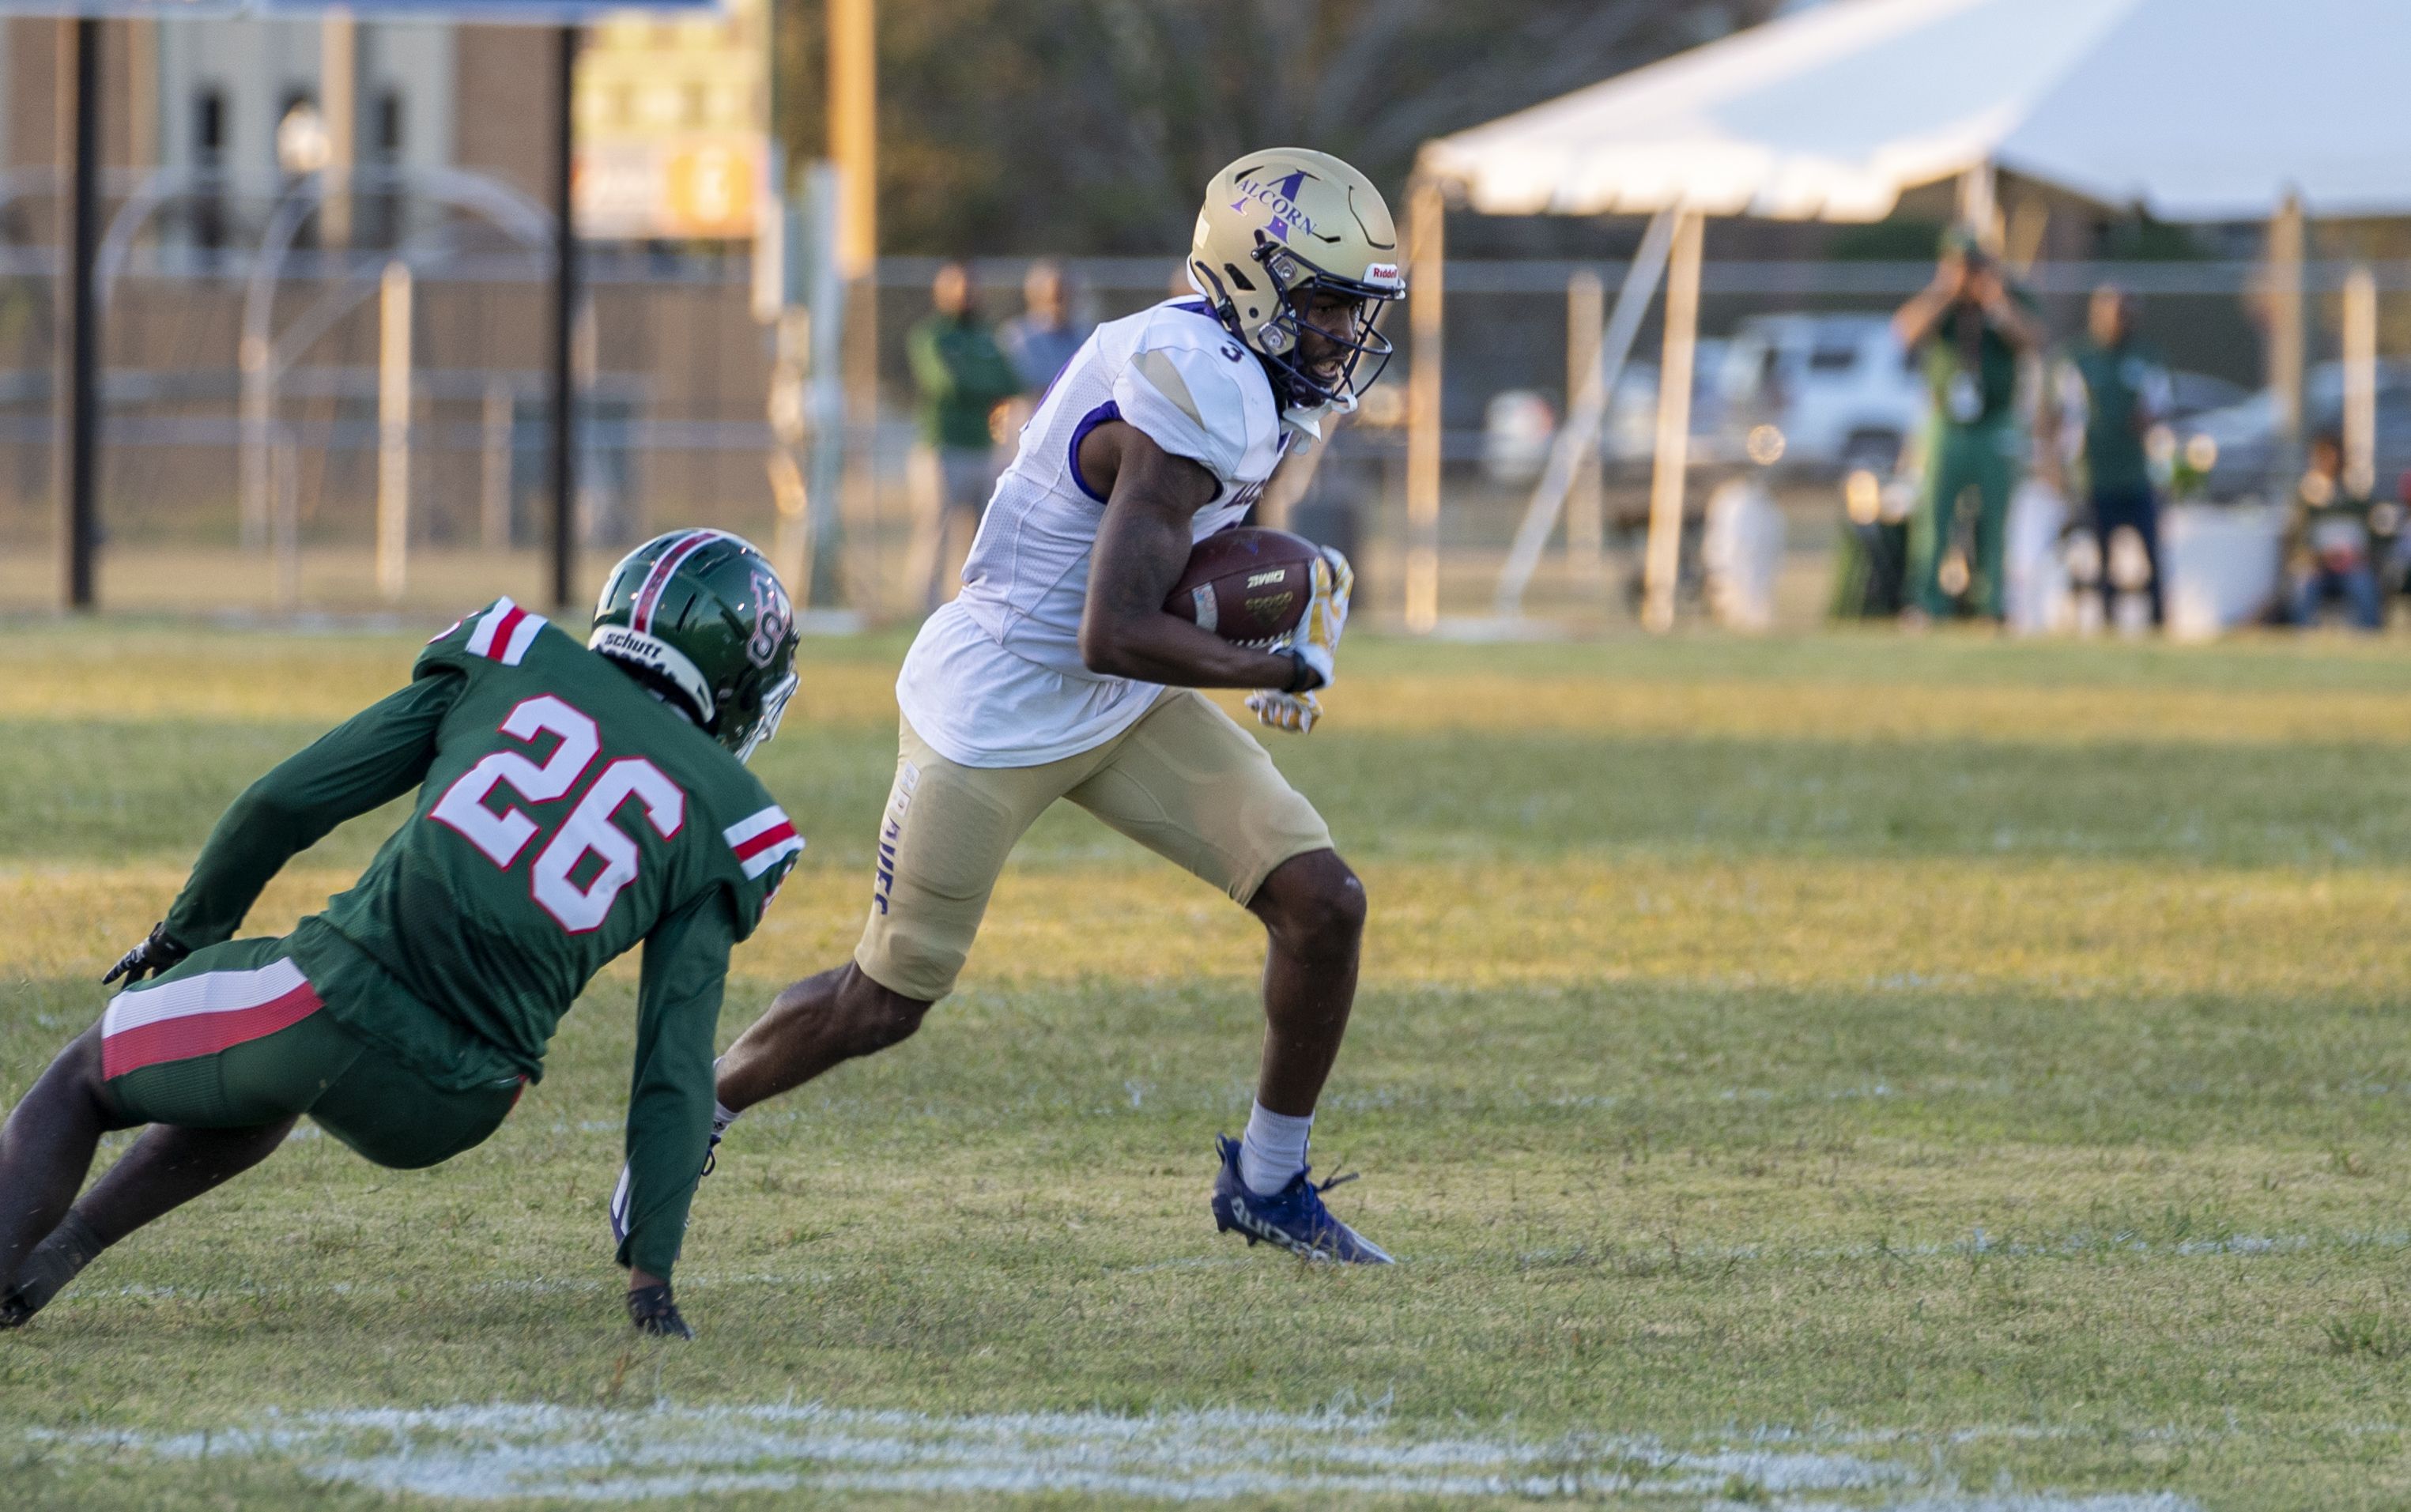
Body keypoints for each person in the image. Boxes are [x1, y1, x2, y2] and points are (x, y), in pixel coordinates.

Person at [617, 148, 1407, 1265]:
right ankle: (689, 1113)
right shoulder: (1195, 381)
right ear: (1253, 281)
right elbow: (1115, 625)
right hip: (999, 703)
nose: (1341, 331)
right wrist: (1275, 669)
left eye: (1352, 307)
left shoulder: (1252, 374)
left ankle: (1269, 1183)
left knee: (1323, 902)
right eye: (1324, 302)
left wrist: (1294, 581)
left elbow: (1198, 563)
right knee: (882, 999)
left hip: (1117, 701)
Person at [0, 533, 805, 1339]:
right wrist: (650, 1276)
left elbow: (280, 804)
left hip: (332, 1003)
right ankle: (56, 1255)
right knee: (270, 1079)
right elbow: (673, 1057)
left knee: (83, 1076)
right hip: (463, 1099)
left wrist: (183, 934)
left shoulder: (514, 659)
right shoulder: (724, 815)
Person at [1891, 226, 2046, 622]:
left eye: (1975, 265)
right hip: (1946, 423)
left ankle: (1993, 603)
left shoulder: (2007, 298)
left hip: (1996, 422)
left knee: (1997, 517)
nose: (1969, 274)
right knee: (1934, 515)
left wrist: (1996, 302)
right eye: (1961, 265)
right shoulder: (1941, 303)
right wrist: (1945, 292)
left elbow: (2034, 340)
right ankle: (1927, 601)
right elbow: (1905, 331)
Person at [905, 262, 1024, 610]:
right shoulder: (932, 335)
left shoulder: (987, 336)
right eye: (957, 286)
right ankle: (923, 609)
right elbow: (945, 383)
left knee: (978, 537)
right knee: (935, 532)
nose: (966, 293)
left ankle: (974, 607)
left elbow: (1008, 381)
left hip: (982, 448)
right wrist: (978, 383)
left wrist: (972, 380)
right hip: (943, 447)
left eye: (970, 286)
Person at [2057, 285, 2172, 626]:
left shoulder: (2146, 356)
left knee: (2152, 555)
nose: (2118, 320)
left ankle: (2158, 622)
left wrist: (2149, 419)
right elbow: (2058, 414)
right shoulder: (2078, 358)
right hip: (2095, 474)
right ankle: (2107, 622)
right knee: (2101, 557)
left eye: (2124, 311)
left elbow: (2161, 406)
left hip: (2137, 475)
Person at [2285, 432, 2383, 629]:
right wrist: (2319, 558)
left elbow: (2372, 538)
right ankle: (2300, 639)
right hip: (2318, 569)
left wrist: (2356, 556)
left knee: (2363, 584)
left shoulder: (2356, 497)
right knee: (2304, 585)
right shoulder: (2305, 498)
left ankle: (2370, 638)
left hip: (2352, 568)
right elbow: (2297, 542)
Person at [998, 259, 1089, 394]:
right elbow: (1027, 382)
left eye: (1066, 293)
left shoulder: (1085, 337)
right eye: (1056, 296)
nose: (1061, 302)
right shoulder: (1018, 336)